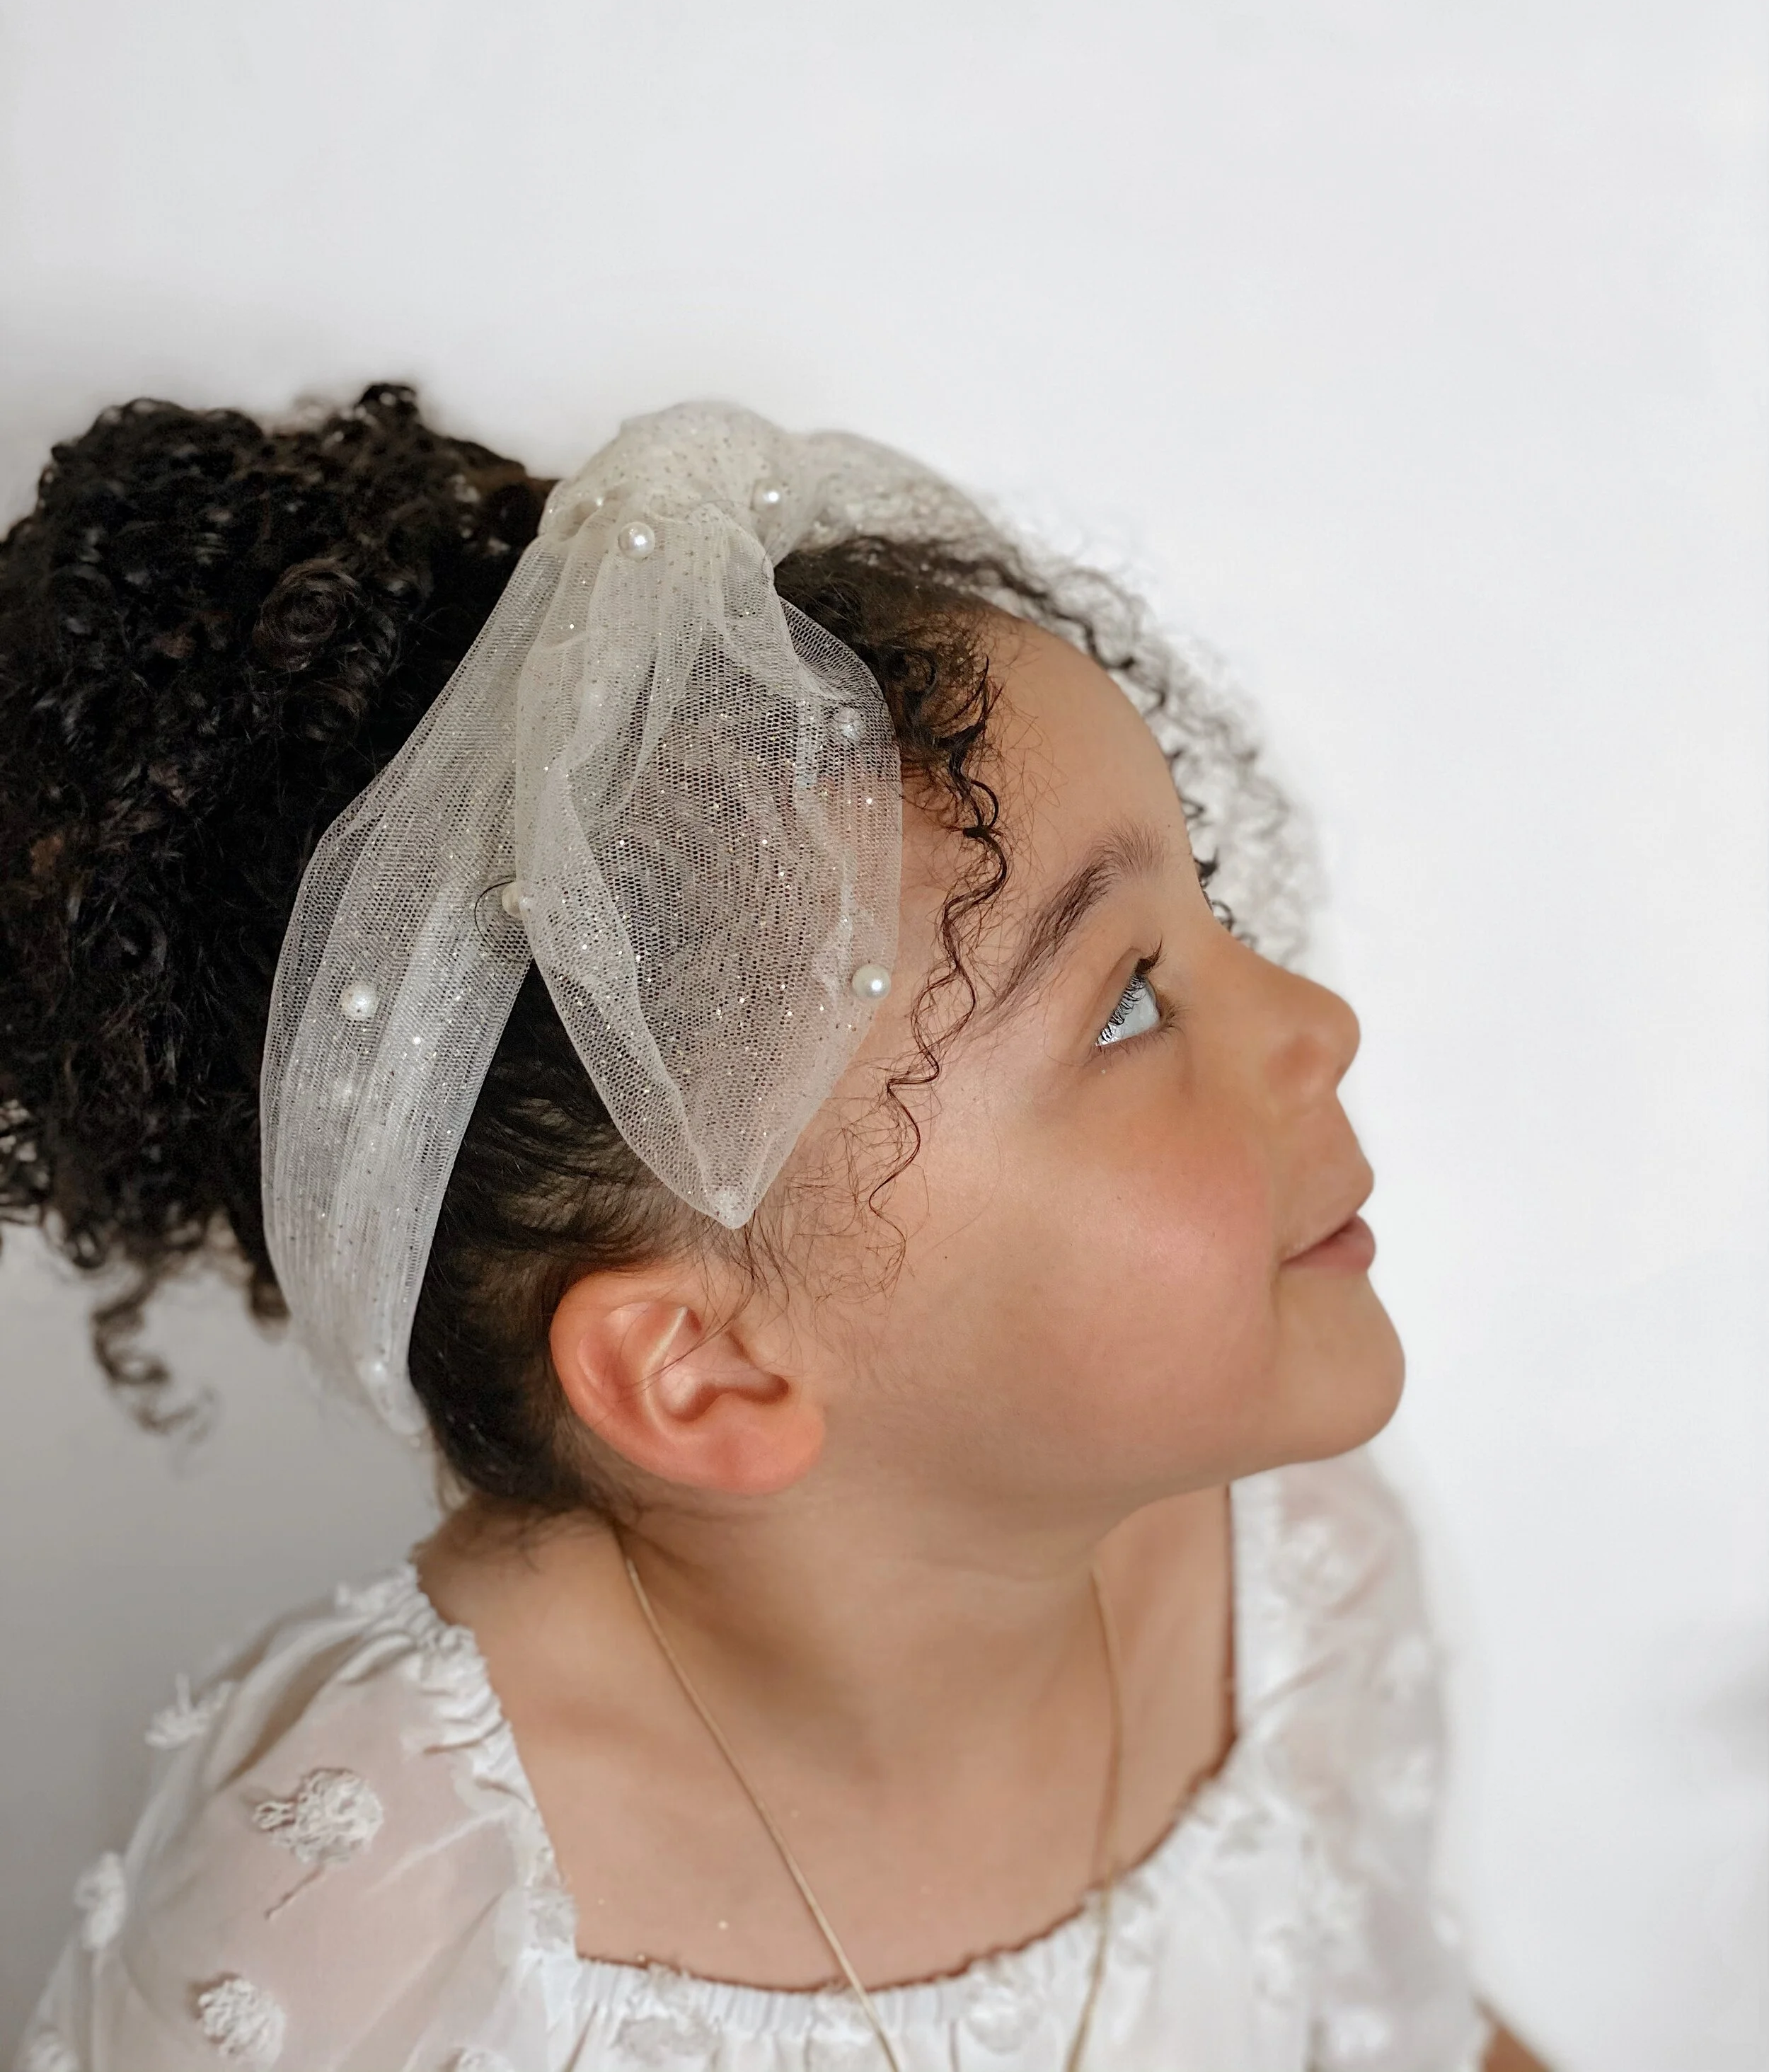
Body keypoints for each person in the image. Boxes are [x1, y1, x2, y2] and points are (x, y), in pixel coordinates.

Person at [2, 387, 1546, 2071]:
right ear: (706, 1368)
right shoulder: (378, 1888)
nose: (1315, 1020)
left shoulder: (1289, 1565)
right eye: (1124, 1004)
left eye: (1212, 905)